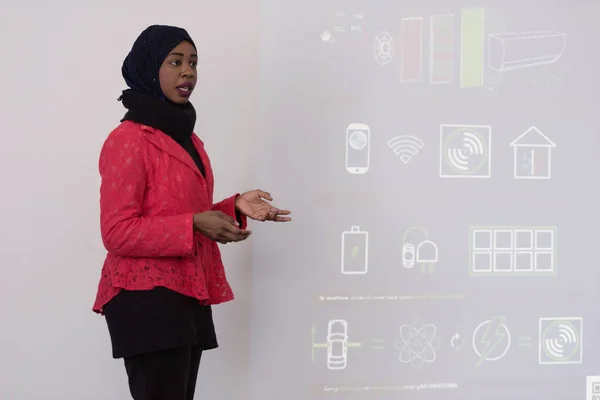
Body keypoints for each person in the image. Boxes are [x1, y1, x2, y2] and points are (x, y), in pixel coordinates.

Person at [91, 25, 291, 400]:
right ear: (149, 67)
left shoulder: (186, 136)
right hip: (145, 298)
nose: (188, 72)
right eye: (175, 61)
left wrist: (231, 206)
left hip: (184, 290)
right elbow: (116, 231)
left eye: (194, 63)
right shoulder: (129, 139)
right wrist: (196, 222)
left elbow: (180, 212)